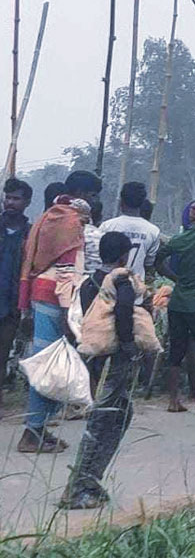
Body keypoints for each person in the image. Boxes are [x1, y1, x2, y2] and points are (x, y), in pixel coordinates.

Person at [58, 232, 152, 509]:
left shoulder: (89, 283)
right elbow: (124, 311)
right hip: (115, 359)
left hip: (94, 358)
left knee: (116, 413)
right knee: (105, 418)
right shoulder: (122, 281)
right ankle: (78, 486)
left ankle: (89, 480)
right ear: (125, 255)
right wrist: (129, 345)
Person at [16, 180, 94, 452]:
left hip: (39, 292)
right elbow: (65, 269)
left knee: (48, 362)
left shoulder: (48, 216)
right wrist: (66, 311)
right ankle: (32, 431)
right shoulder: (70, 222)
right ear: (81, 194)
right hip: (55, 297)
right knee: (48, 366)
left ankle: (40, 428)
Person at [155, 199, 195, 413]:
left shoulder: (180, 239)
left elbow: (157, 260)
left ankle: (173, 400)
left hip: (178, 301)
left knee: (176, 352)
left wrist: (175, 278)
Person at [0, 178, 31, 405]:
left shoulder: (31, 234)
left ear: (27, 202)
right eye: (7, 197)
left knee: (2, 353)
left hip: (11, 305)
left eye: (16, 198)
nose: (10, 202)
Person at [99, 182, 161, 282]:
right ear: (142, 203)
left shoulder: (107, 226)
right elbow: (149, 264)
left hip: (107, 287)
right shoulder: (153, 231)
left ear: (121, 201)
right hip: (135, 289)